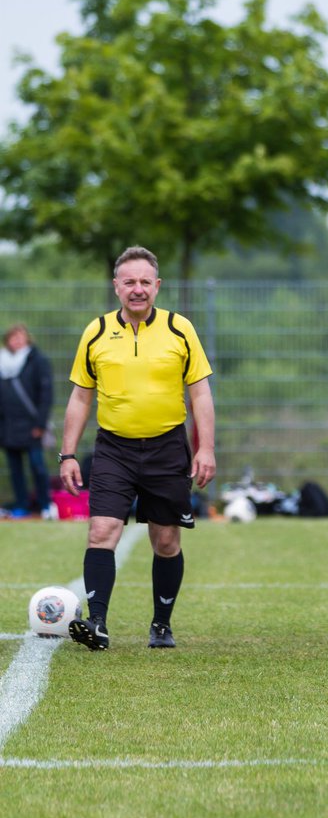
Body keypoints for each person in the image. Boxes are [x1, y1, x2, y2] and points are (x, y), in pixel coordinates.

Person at [59, 246, 216, 650]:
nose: (138, 289)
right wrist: (68, 454)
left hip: (167, 448)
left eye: (145, 282)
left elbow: (200, 395)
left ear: (157, 286)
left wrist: (205, 449)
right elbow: (80, 398)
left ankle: (161, 625)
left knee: (166, 541)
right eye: (129, 282)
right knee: (101, 530)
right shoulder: (95, 332)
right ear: (116, 287)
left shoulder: (180, 329)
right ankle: (96, 623)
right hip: (113, 449)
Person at [1, 324, 54, 518]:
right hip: (8, 427)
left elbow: (46, 394)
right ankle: (21, 504)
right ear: (7, 341)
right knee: (15, 470)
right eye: (13, 337)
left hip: (32, 427)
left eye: (20, 336)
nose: (17, 340)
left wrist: (40, 424)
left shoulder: (37, 361)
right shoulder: (2, 362)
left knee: (38, 467)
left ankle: (45, 505)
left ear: (27, 338)